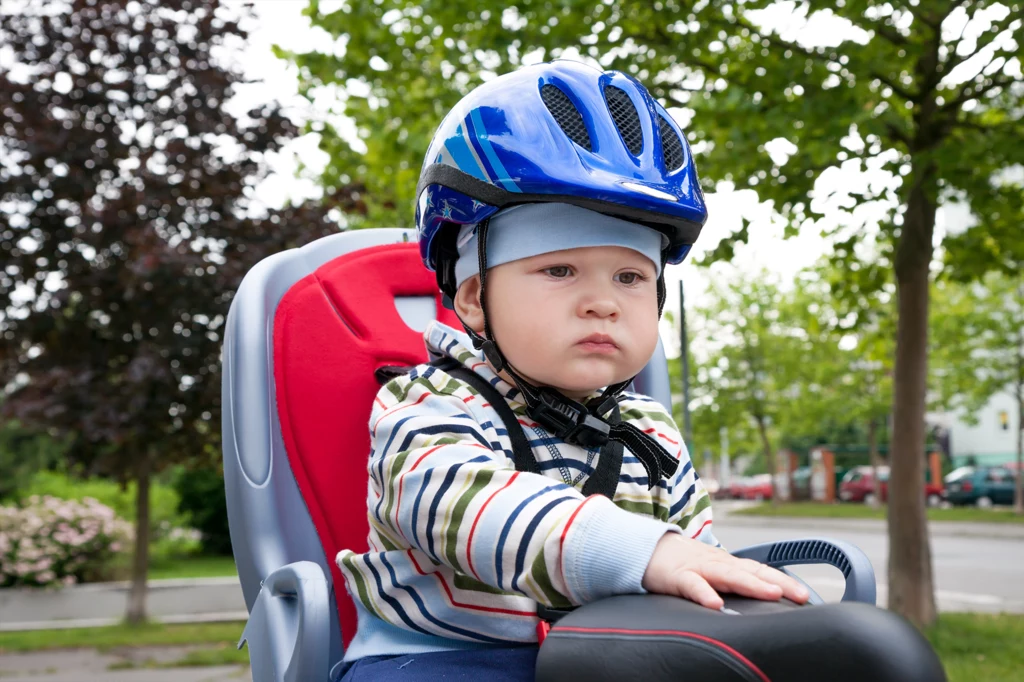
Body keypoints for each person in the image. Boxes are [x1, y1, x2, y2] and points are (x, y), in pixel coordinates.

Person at [336, 60, 808, 682]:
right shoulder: (428, 404)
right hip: (440, 657)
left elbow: (696, 559)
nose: (603, 301)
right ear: (475, 296)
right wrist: (642, 552)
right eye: (559, 270)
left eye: (631, 277)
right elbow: (461, 506)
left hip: (606, 657)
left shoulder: (652, 431)